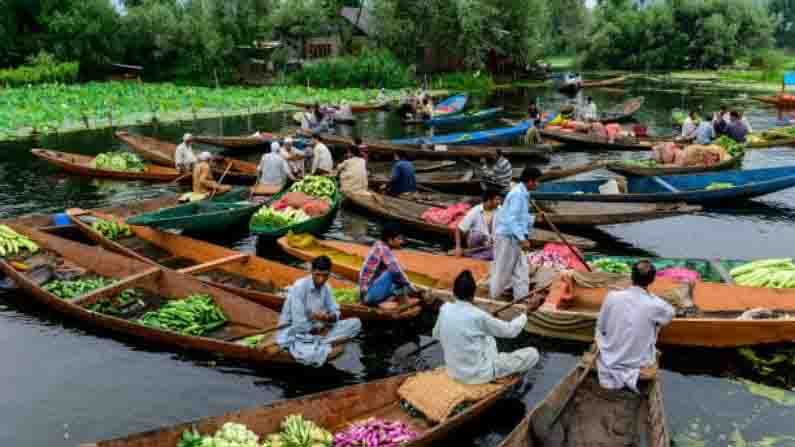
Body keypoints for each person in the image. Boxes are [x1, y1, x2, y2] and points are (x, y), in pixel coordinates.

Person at [432, 270, 542, 385]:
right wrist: (527, 312)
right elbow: (511, 331)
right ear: (473, 294)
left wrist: (486, 322)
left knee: (488, 337)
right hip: (477, 375)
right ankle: (495, 372)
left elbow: (436, 334)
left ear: (454, 292)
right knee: (533, 354)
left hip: (453, 371)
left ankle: (492, 364)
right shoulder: (478, 315)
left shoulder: (445, 308)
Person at [595, 261, 674, 391]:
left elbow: (601, 327)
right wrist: (651, 297)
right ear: (652, 280)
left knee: (601, 330)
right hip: (638, 361)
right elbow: (670, 313)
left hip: (610, 355)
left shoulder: (612, 296)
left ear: (631, 277)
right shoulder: (656, 304)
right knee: (656, 323)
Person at [276, 256, 362, 367]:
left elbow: (335, 311)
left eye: (325, 275)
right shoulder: (299, 287)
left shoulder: (326, 288)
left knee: (355, 323)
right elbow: (299, 324)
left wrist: (328, 317)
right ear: (311, 271)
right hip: (297, 332)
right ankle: (321, 343)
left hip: (319, 328)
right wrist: (319, 329)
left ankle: (321, 342)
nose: (321, 279)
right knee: (307, 351)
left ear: (329, 274)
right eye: (317, 275)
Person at [490, 167, 543, 301]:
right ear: (530, 181)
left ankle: (521, 299)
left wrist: (534, 218)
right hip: (507, 238)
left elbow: (521, 217)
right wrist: (522, 239)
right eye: (537, 181)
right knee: (502, 270)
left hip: (514, 238)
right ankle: (493, 297)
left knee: (521, 270)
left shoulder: (523, 193)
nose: (538, 184)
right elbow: (511, 219)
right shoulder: (518, 194)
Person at [358, 223, 418, 309]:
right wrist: (411, 287)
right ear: (390, 240)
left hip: (368, 291)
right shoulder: (383, 249)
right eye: (399, 239)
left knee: (399, 276)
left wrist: (408, 285)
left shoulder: (379, 244)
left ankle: (392, 297)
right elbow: (396, 271)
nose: (401, 242)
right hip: (367, 296)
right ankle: (403, 302)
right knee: (393, 273)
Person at [454, 189, 501, 260]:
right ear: (489, 200)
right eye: (497, 200)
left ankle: (472, 255)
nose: (499, 202)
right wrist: (458, 247)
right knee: (477, 235)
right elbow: (459, 229)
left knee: (496, 253)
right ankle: (478, 254)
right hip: (476, 243)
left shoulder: (500, 210)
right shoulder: (475, 210)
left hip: (492, 244)